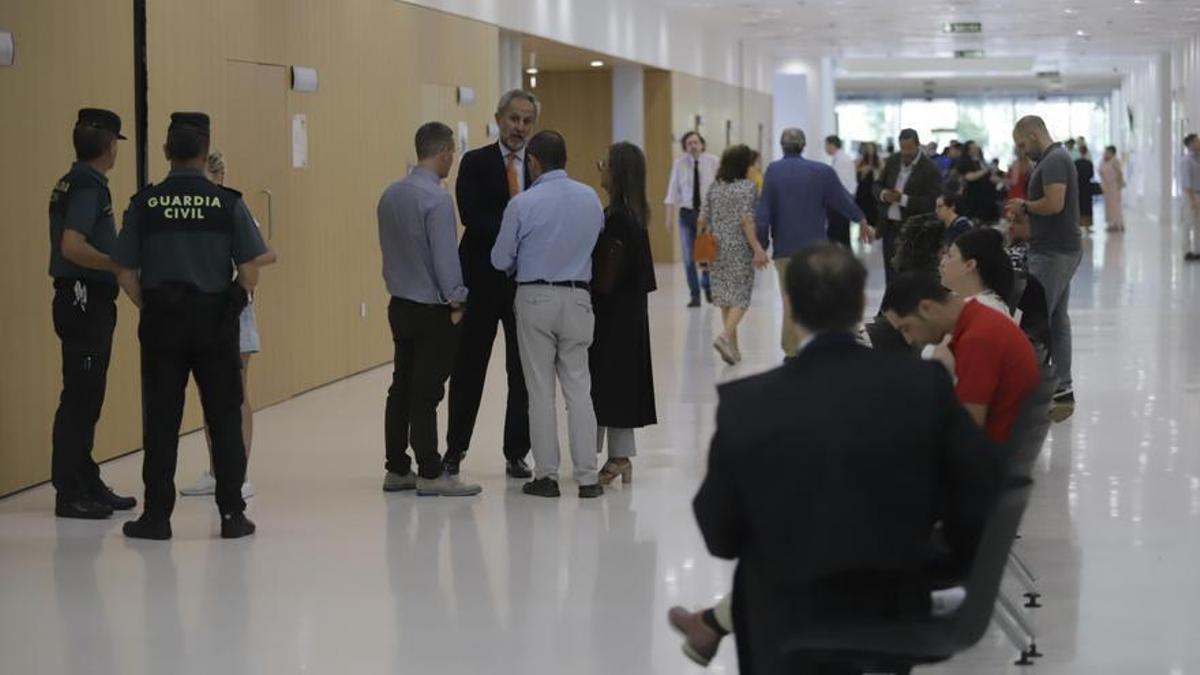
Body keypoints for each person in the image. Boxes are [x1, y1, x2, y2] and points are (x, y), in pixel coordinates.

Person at [682, 244, 1003, 674]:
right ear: (860, 303)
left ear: (791, 307)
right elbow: (981, 488)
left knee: (756, 569)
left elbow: (719, 533)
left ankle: (714, 625)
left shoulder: (748, 404)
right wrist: (938, 566)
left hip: (785, 625)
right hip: (891, 612)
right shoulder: (923, 386)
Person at [113, 112, 266, 540]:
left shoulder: (144, 203)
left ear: (166, 152)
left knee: (161, 421)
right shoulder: (228, 203)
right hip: (215, 322)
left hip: (162, 323)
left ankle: (157, 518)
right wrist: (230, 304)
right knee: (223, 417)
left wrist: (153, 305)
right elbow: (251, 270)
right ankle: (233, 515)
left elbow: (123, 271)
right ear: (205, 152)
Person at [491, 130, 605, 499]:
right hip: (578, 299)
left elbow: (499, 259)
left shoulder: (523, 203)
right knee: (579, 388)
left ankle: (547, 476)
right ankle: (588, 478)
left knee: (540, 391)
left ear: (535, 162)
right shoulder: (590, 198)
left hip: (535, 298)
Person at [377, 122, 481, 497]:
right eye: (451, 152)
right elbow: (445, 259)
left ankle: (396, 467)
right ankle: (431, 473)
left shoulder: (390, 195)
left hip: (399, 305)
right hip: (432, 309)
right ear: (444, 152)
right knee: (427, 392)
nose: (452, 159)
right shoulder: (437, 201)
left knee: (400, 387)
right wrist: (458, 300)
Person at [47, 108, 137, 519]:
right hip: (84, 300)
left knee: (87, 395)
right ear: (107, 146)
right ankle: (70, 491)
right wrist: (115, 263)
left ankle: (86, 479)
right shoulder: (87, 185)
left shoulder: (75, 180)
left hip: (85, 300)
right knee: (81, 398)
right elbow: (72, 246)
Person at [444, 90, 536, 480]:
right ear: (499, 118)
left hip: (524, 285)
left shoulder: (538, 166)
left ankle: (517, 452)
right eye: (513, 119)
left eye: (526, 121)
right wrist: (519, 229)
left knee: (522, 371)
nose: (519, 127)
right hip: (481, 281)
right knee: (468, 369)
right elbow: (472, 217)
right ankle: (455, 449)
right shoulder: (475, 162)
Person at [180, 151, 277, 500]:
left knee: (235, 393)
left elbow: (266, 252)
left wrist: (237, 261)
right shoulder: (193, 210)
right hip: (204, 309)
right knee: (210, 395)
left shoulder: (233, 206)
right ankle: (216, 469)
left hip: (235, 310)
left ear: (218, 177)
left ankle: (240, 472)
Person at [884, 271, 1040, 444]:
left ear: (926, 308)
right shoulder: (980, 320)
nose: (909, 339)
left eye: (906, 328)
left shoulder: (978, 339)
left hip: (989, 457)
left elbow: (968, 430)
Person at [756, 128, 867, 358]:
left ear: (781, 145)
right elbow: (843, 201)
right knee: (821, 298)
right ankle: (823, 346)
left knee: (790, 300)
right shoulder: (822, 171)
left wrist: (760, 244)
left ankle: (791, 353)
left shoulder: (774, 171)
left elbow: (764, 211)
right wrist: (862, 220)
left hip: (785, 249)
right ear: (804, 145)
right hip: (816, 251)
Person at [1006, 115, 1082, 422]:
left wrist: (1024, 206)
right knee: (1056, 320)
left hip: (1054, 252)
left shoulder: (1053, 161)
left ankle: (1029, 394)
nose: (1024, 151)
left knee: (1035, 322)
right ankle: (1062, 389)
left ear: (1036, 133)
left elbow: (1054, 204)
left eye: (1023, 144)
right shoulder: (1057, 158)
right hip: (1058, 248)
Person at [591, 142, 658, 487]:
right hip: (629, 311)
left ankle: (615, 457)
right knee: (619, 381)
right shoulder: (634, 214)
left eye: (604, 163)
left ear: (617, 172)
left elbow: (606, 274)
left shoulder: (617, 219)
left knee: (609, 382)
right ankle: (619, 455)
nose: (599, 167)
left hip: (613, 311)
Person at [701, 145, 768, 365]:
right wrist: (757, 248)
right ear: (743, 165)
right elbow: (747, 221)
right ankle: (723, 337)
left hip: (715, 248)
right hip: (738, 248)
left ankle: (733, 350)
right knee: (741, 297)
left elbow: (701, 220)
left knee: (725, 299)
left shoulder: (714, 187)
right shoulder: (747, 188)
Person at [877, 128, 943, 285]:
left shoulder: (930, 169)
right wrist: (884, 194)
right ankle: (891, 306)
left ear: (918, 145)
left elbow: (933, 202)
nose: (905, 152)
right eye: (902, 148)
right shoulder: (892, 161)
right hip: (889, 227)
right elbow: (877, 185)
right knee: (890, 272)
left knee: (909, 275)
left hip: (913, 229)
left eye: (909, 148)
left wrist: (904, 199)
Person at [664, 131, 719, 307]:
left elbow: (719, 188)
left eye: (696, 142)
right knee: (688, 257)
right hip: (687, 215)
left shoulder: (713, 161)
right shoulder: (679, 164)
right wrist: (668, 218)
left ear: (702, 144)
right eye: (689, 143)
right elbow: (672, 192)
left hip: (707, 214)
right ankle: (695, 295)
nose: (693, 146)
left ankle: (708, 286)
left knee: (706, 255)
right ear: (685, 147)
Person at [939, 227, 1015, 317]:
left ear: (969, 265)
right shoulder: (961, 302)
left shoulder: (986, 311)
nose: (942, 263)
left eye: (949, 256)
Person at [824, 135, 858, 246]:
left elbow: (840, 183)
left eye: (826, 145)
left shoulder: (842, 160)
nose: (825, 148)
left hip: (841, 200)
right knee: (839, 233)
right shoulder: (840, 158)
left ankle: (841, 260)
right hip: (842, 199)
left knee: (838, 233)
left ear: (832, 145)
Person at [957, 141, 999, 225]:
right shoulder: (965, 162)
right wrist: (985, 170)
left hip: (987, 195)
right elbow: (969, 177)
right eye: (973, 147)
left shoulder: (981, 161)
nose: (976, 149)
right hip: (974, 196)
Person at [854, 142, 882, 233]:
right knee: (862, 211)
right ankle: (861, 232)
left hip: (874, 190)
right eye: (867, 148)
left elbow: (883, 174)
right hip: (863, 189)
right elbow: (855, 174)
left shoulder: (879, 160)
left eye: (871, 148)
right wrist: (862, 171)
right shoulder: (860, 160)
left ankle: (874, 231)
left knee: (874, 211)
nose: (869, 150)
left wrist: (876, 172)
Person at [1181, 134, 1200, 261]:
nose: (1199, 143)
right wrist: (1192, 199)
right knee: (1188, 223)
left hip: (1198, 193)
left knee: (1198, 224)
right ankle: (1187, 251)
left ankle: (1197, 250)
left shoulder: (1197, 158)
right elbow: (1186, 182)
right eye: (1196, 141)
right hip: (1190, 195)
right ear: (1190, 144)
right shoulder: (1186, 160)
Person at [1099, 146, 1126, 233]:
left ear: (1112, 153)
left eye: (1108, 152)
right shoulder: (1103, 161)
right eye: (1105, 152)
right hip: (1106, 187)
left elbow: (1120, 173)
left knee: (1115, 205)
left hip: (1114, 186)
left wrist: (1119, 185)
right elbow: (1100, 171)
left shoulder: (1115, 161)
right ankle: (1111, 224)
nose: (1106, 153)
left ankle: (1118, 224)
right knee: (1108, 206)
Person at [1075, 144, 1097, 230]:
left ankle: (1079, 224)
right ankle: (1088, 226)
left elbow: (1074, 175)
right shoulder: (1089, 163)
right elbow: (1091, 175)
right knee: (1088, 205)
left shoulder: (1076, 163)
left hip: (1078, 186)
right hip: (1087, 186)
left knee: (1079, 205)